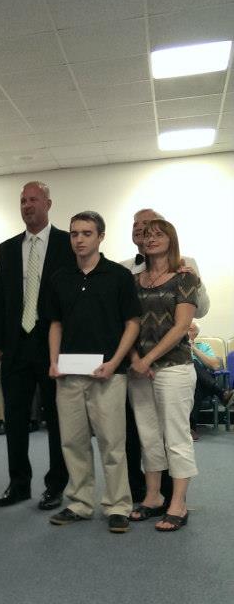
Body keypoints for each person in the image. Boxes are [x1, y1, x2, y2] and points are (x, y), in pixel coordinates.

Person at [48, 212, 141, 533]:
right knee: (72, 443)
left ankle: (118, 506)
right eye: (74, 233)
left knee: (112, 443)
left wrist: (115, 363)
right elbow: (55, 323)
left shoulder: (118, 276)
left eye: (87, 233)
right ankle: (79, 502)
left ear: (100, 236)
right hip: (68, 374)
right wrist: (54, 361)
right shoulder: (60, 277)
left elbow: (132, 323)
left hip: (108, 373)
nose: (79, 239)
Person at [0, 181, 74, 509]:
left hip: (53, 344)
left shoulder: (67, 243)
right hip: (15, 345)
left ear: (48, 204)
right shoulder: (7, 248)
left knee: (56, 418)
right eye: (23, 200)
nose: (27, 205)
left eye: (33, 199)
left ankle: (56, 485)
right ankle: (18, 484)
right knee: (14, 417)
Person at [121, 207, 209, 505]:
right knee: (148, 437)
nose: (151, 238)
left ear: (171, 240)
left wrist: (147, 360)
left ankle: (178, 503)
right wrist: (135, 359)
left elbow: (182, 326)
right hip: (139, 370)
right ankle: (153, 497)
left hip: (173, 368)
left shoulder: (185, 278)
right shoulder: (133, 281)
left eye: (158, 234)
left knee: (176, 437)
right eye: (146, 234)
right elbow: (128, 324)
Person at [188, 321, 233, 433]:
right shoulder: (176, 348)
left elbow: (215, 366)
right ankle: (221, 393)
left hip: (203, 383)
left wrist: (193, 348)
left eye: (190, 330)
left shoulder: (204, 346)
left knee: (196, 373)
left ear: (196, 334)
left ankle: (191, 428)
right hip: (184, 382)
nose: (186, 332)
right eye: (185, 329)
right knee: (192, 364)